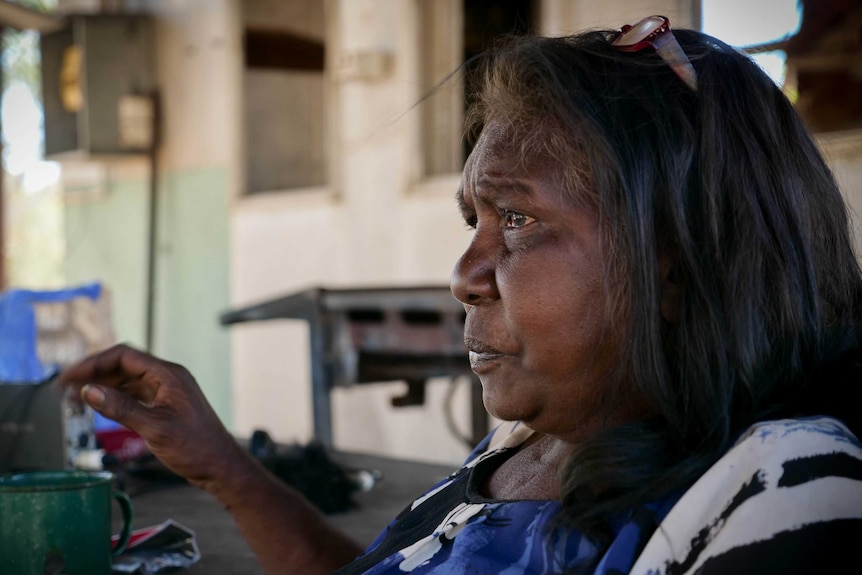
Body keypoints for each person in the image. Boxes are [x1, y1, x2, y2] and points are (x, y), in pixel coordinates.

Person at [59, 15, 862, 575]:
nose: (463, 273)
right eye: (474, 217)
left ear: (678, 262)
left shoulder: (782, 481)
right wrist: (222, 466)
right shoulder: (525, 447)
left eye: (517, 219)